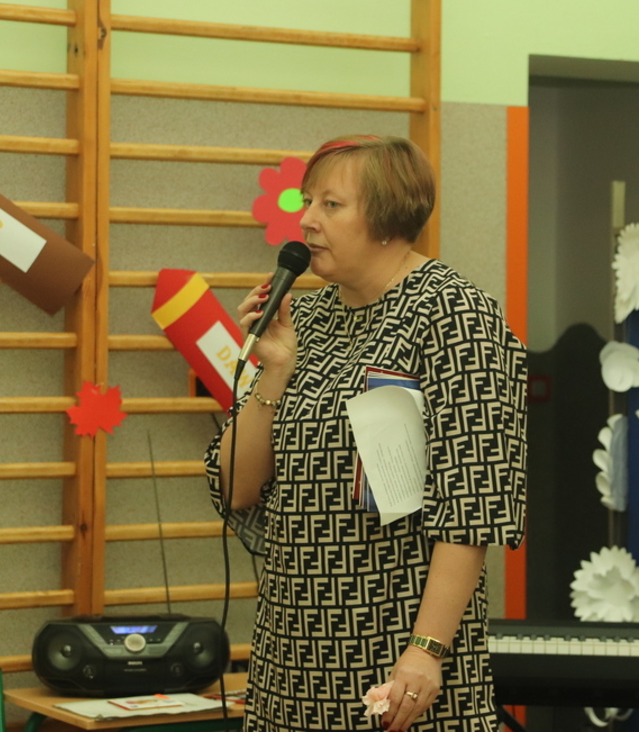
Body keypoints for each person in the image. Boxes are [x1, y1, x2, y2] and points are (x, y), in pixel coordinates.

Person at [204, 135, 527, 732]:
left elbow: (472, 506)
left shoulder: (454, 315)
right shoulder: (306, 318)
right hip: (290, 659)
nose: (307, 220)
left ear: (387, 217)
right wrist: (275, 370)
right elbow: (236, 488)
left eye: (331, 204)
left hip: (398, 654)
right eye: (307, 201)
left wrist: (426, 650)